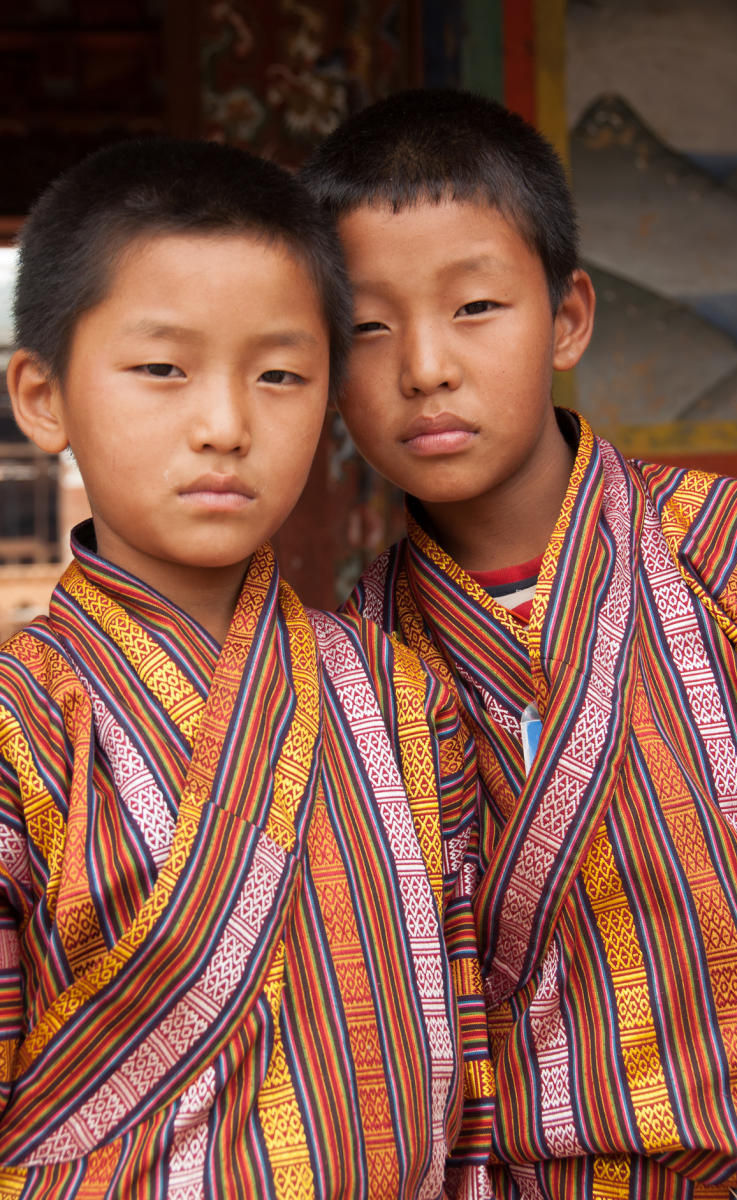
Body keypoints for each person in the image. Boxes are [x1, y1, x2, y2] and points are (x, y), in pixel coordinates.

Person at [0, 137, 495, 1199]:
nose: (225, 426)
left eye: (279, 375)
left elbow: (474, 1074)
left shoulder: (403, 696)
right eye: (163, 370)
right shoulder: (21, 728)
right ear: (42, 396)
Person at [302, 88, 737, 1198]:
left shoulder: (736, 559)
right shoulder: (350, 672)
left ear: (567, 317)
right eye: (367, 326)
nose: (424, 365)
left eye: (476, 307)